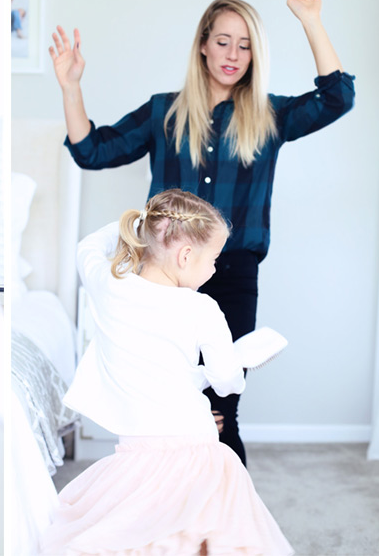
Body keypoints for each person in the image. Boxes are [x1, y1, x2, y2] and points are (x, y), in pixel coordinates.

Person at [49, 0, 354, 465]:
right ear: (204, 46)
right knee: (164, 412)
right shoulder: (163, 113)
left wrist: (311, 21)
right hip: (160, 281)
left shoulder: (270, 116)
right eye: (224, 41)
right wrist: (70, 87)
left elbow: (337, 99)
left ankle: (223, 511)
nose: (233, 54)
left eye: (246, 45)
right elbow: (92, 151)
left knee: (220, 414)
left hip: (232, 275)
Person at [40, 189, 293, 555]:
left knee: (142, 534)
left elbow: (87, 248)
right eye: (214, 260)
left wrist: (143, 224)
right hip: (197, 443)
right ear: (185, 256)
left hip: (136, 451)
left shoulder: (108, 286)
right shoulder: (202, 308)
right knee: (208, 532)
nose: (214, 270)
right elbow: (226, 383)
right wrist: (239, 361)